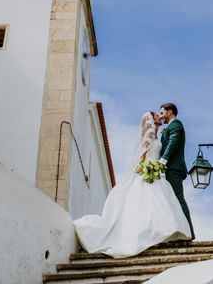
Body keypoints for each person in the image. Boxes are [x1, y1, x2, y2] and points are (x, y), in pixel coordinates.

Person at [73, 111, 191, 258]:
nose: (159, 117)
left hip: (158, 172)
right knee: (154, 202)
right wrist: (147, 167)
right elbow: (142, 155)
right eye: (157, 115)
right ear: (151, 120)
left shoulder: (158, 135)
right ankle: (155, 234)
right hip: (151, 171)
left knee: (159, 203)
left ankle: (161, 234)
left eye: (161, 114)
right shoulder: (148, 136)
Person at [159, 102, 195, 240]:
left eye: (162, 113)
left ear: (170, 112)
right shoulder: (169, 126)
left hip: (173, 168)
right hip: (169, 168)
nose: (161, 117)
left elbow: (173, 142)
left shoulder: (175, 124)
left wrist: (163, 159)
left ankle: (189, 232)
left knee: (178, 199)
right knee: (170, 200)